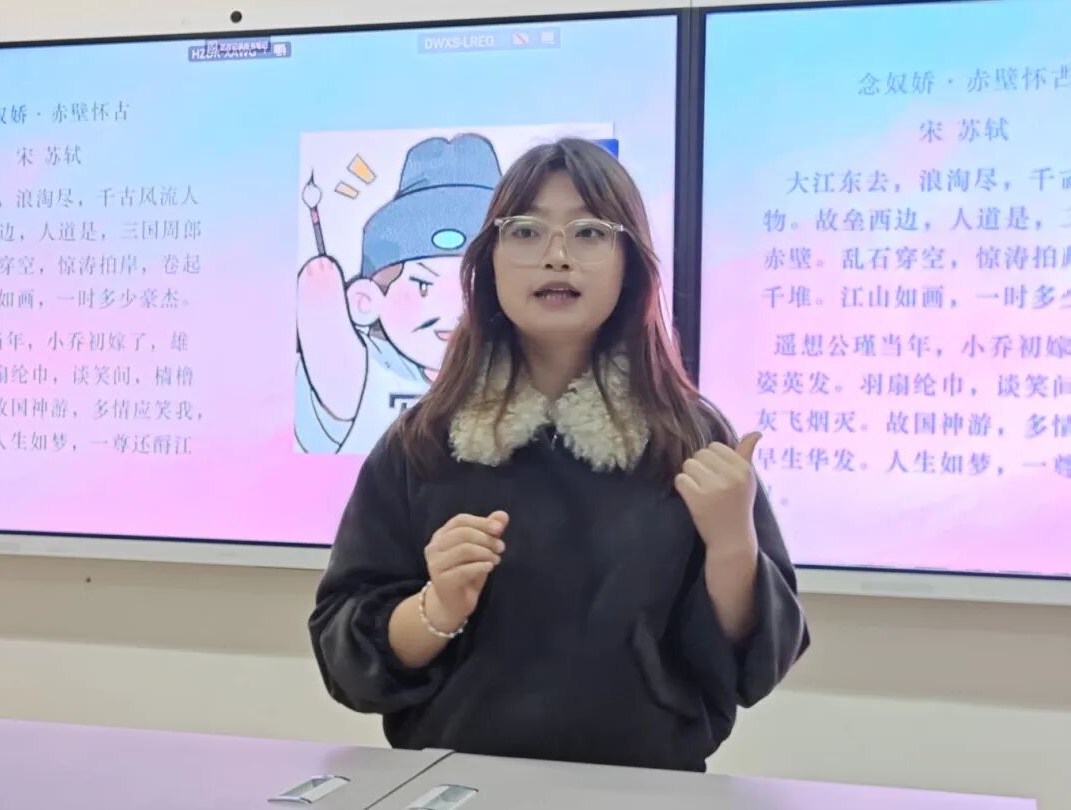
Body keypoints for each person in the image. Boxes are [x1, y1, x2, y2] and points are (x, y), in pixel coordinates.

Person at [309, 138, 809, 772]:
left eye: (589, 232)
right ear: (488, 261)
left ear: (631, 262)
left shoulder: (689, 437)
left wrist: (734, 545)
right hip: (457, 786)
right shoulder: (425, 440)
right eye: (525, 231)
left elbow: (754, 667)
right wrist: (435, 610)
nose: (557, 255)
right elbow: (344, 655)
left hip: (648, 790)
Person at [296, 134, 502, 455]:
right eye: (422, 286)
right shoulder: (377, 371)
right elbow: (340, 384)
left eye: (475, 287)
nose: (451, 310)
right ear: (366, 301)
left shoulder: (517, 373)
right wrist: (324, 319)